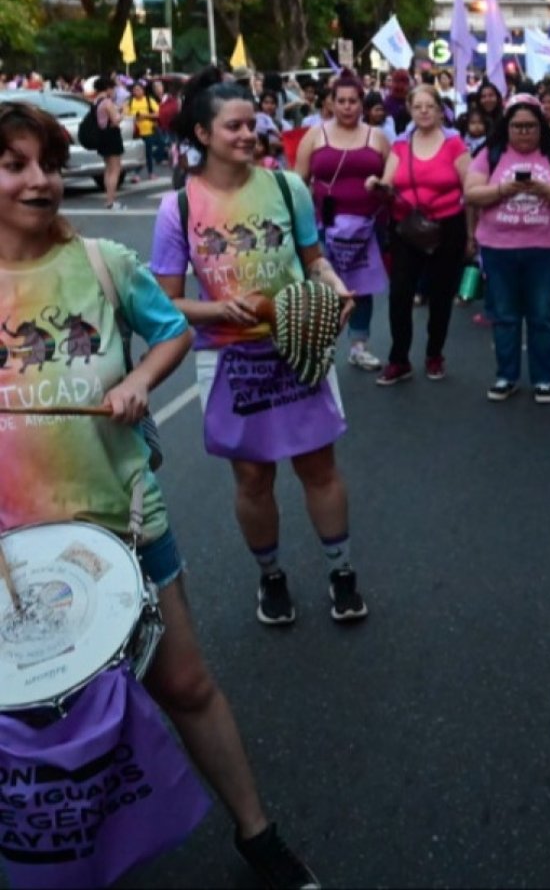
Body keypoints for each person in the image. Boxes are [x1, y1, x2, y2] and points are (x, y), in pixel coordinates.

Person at [0, 101, 319, 888]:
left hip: (123, 525)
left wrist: (141, 379)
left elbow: (173, 328)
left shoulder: (104, 261)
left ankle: (258, 835)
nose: (39, 181)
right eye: (14, 165)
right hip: (11, 546)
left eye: (46, 162)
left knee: (184, 683)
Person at [150, 67, 366, 629]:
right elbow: (167, 302)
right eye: (234, 126)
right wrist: (219, 310)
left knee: (319, 465)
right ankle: (270, 576)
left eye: (252, 124)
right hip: (226, 358)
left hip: (298, 345)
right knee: (252, 478)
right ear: (202, 134)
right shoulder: (178, 206)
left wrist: (335, 286)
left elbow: (314, 260)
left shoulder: (285, 187)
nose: (249, 135)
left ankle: (341, 570)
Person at [463, 93, 550, 403]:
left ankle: (544, 379)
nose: (524, 132)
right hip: (498, 247)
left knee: (542, 316)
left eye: (531, 126)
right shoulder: (490, 152)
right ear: (507, 127)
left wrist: (544, 189)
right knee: (504, 316)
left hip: (546, 248)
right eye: (517, 126)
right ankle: (506, 376)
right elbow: (471, 193)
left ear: (541, 126)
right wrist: (504, 189)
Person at [374, 84, 471, 385]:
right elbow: (388, 182)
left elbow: (471, 192)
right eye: (418, 107)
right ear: (410, 111)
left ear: (440, 110)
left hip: (448, 227)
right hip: (407, 228)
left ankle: (434, 354)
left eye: (430, 106)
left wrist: (472, 235)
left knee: (441, 295)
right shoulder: (401, 146)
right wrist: (377, 185)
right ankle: (399, 359)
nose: (424, 111)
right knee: (400, 293)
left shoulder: (455, 145)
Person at [294, 71, 391, 371]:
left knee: (361, 287)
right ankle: (319, 345)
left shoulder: (377, 137)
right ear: (331, 104)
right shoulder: (314, 135)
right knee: (322, 286)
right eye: (342, 101)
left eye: (353, 101)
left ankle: (359, 345)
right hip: (323, 224)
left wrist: (380, 185)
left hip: (367, 227)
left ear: (362, 104)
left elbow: (391, 180)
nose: (348, 107)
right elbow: (298, 181)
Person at [93, 76, 126, 210]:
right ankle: (111, 201)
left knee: (108, 168)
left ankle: (109, 198)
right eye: (112, 88)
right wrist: (121, 114)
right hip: (112, 136)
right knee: (115, 168)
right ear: (107, 88)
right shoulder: (107, 102)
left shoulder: (96, 102)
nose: (113, 91)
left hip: (102, 136)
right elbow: (116, 119)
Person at [127, 80, 161, 181]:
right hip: (135, 132)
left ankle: (150, 173)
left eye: (138, 89)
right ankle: (137, 174)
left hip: (148, 130)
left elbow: (158, 113)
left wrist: (145, 115)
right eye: (135, 90)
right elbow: (125, 114)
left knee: (148, 153)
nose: (136, 91)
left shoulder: (149, 100)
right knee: (138, 154)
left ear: (143, 90)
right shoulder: (130, 102)